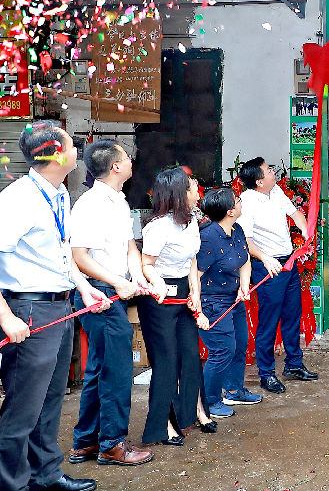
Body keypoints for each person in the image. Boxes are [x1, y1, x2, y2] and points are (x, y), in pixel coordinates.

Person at [0, 121, 99, 491]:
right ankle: (12, 484)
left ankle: (45, 474)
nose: (77, 149)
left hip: (59, 307)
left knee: (49, 400)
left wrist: (84, 288)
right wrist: (5, 315)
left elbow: (62, 253)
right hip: (28, 311)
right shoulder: (18, 200)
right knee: (23, 408)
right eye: (71, 144)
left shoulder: (58, 193)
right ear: (56, 154)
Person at [68, 139, 153, 466]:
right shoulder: (90, 204)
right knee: (117, 370)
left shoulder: (119, 200)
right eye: (126, 157)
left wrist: (138, 277)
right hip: (98, 292)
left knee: (99, 368)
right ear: (116, 166)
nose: (132, 160)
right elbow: (80, 257)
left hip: (115, 288)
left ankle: (85, 441)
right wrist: (118, 282)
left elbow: (130, 247)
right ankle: (112, 444)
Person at [138, 167, 211, 445]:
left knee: (191, 355)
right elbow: (147, 264)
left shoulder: (191, 221)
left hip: (183, 292)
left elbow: (192, 260)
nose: (197, 191)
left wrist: (195, 293)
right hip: (159, 298)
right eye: (192, 187)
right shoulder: (158, 226)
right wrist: (159, 285)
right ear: (180, 193)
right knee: (166, 362)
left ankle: (190, 413)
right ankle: (163, 424)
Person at [238, 158, 314, 393]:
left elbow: (296, 213)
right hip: (269, 267)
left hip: (289, 263)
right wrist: (265, 258)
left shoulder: (277, 191)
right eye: (268, 170)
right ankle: (266, 373)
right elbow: (246, 240)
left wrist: (306, 231)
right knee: (269, 321)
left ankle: (294, 364)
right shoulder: (247, 202)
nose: (273, 172)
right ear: (259, 181)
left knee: (292, 314)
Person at [197, 188, 262, 419]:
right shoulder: (208, 238)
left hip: (233, 298)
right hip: (211, 302)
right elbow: (195, 275)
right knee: (222, 350)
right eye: (237, 200)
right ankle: (209, 401)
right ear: (230, 211)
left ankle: (234, 390)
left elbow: (244, 260)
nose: (240, 201)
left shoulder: (237, 229)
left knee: (240, 344)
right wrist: (198, 310)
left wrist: (244, 286)